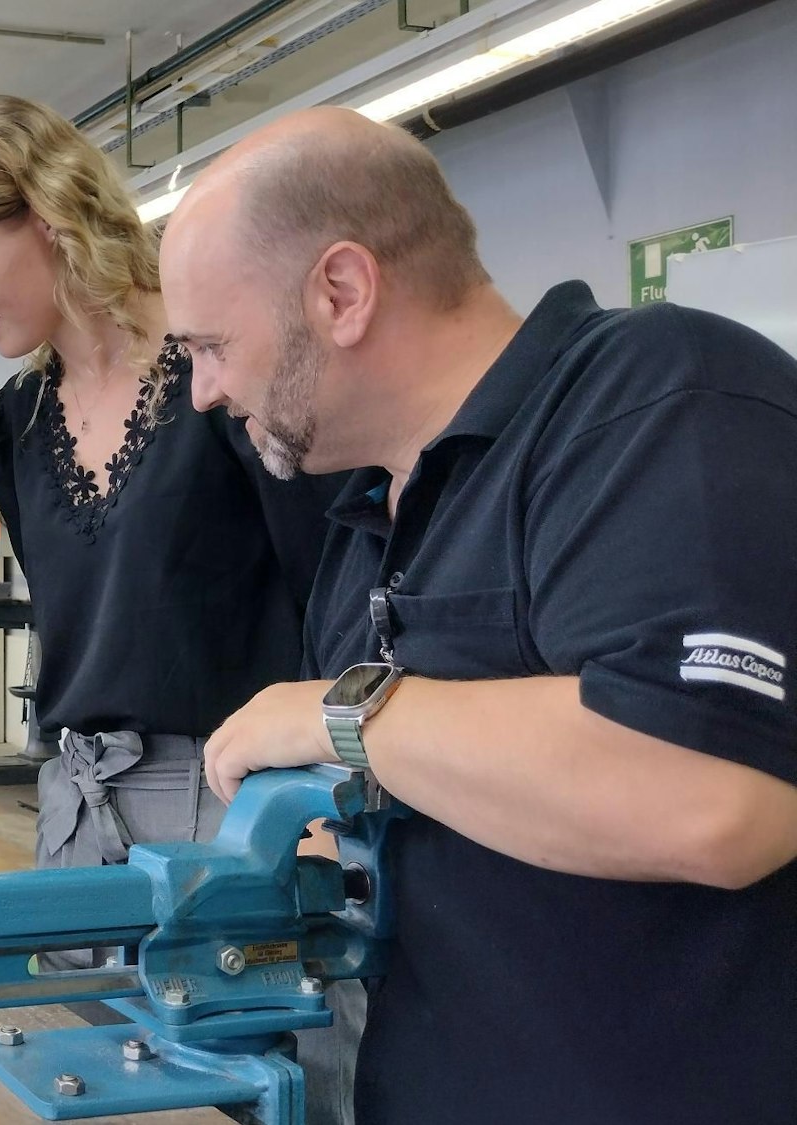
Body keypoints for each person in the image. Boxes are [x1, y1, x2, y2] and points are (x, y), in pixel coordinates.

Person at [162, 106, 797, 1124]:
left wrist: (339, 714)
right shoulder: (370, 521)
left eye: (208, 345)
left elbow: (711, 795)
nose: (202, 392)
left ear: (339, 291)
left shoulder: (653, 395)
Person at [0, 94, 354, 1124]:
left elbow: (336, 596)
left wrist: (326, 808)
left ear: (44, 215)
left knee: (270, 1096)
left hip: (238, 807)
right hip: (77, 817)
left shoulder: (222, 374)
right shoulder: (10, 425)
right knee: (88, 1092)